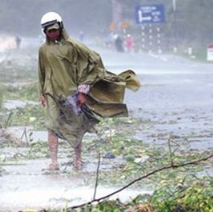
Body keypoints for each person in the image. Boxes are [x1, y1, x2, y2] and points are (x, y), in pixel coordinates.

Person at [38, 11, 140, 171]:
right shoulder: (43, 50)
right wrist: (41, 93)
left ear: (60, 27)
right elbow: (41, 72)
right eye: (48, 31)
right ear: (44, 32)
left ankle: (77, 159)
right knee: (51, 125)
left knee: (77, 126)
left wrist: (83, 90)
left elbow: (94, 61)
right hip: (51, 92)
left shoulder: (73, 46)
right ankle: (54, 162)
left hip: (71, 93)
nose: (52, 33)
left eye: (54, 29)